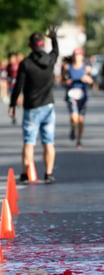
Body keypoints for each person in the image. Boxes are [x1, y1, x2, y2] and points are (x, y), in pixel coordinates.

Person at [8, 26, 59, 184]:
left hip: (31, 108)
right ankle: (49, 174)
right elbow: (56, 51)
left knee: (29, 142)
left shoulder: (26, 63)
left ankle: (25, 173)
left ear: (30, 45)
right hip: (48, 107)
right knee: (48, 142)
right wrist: (54, 38)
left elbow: (18, 85)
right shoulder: (50, 60)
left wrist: (12, 105)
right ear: (43, 44)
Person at [62, 47, 94, 149]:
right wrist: (66, 82)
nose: (77, 56)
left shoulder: (86, 68)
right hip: (71, 95)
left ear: (82, 56)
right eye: (75, 54)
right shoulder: (67, 67)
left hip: (82, 96)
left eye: (78, 54)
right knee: (74, 117)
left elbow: (92, 83)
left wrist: (89, 80)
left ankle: (79, 140)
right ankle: (72, 128)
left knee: (80, 120)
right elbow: (62, 81)